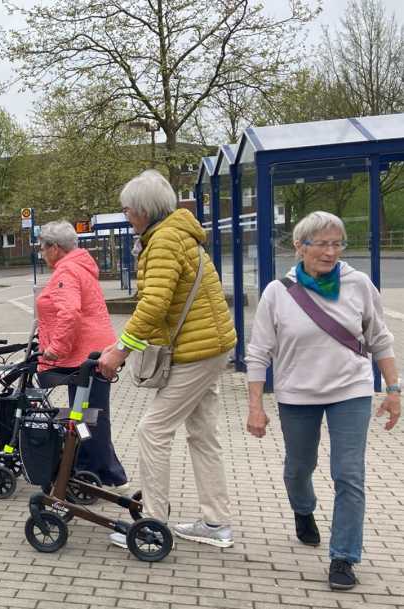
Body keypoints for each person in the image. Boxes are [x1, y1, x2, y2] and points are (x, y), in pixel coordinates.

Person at [246, 211, 399, 591]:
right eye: (322, 244)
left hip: (351, 390)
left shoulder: (359, 284)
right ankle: (303, 509)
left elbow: (379, 338)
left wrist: (394, 390)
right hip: (297, 393)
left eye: (337, 243)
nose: (331, 252)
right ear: (300, 246)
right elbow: (258, 351)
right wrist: (255, 405)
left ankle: (344, 556)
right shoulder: (277, 292)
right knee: (299, 467)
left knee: (349, 473)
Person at [96, 169, 237, 549]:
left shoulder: (163, 241)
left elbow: (153, 304)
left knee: (152, 430)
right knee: (203, 434)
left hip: (197, 350)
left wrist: (119, 349)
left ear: (143, 209)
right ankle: (216, 522)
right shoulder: (178, 233)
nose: (126, 216)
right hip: (212, 344)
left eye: (127, 210)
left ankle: (154, 527)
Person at [34, 221, 129, 492]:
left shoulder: (67, 271)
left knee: (90, 416)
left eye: (43, 247)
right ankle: (96, 470)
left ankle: (102, 473)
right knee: (89, 414)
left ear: (55, 248)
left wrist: (56, 348)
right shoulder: (80, 267)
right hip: (92, 352)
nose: (41, 252)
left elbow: (70, 313)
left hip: (83, 355)